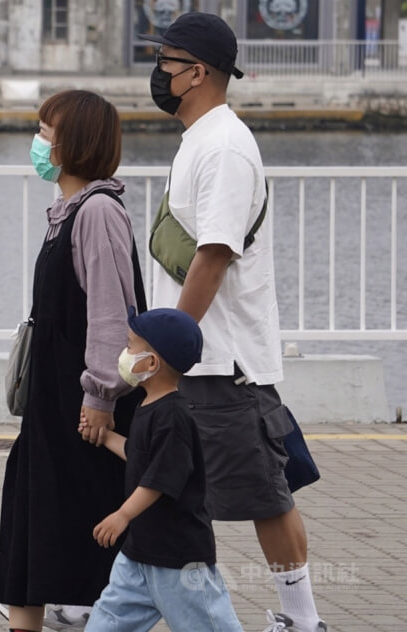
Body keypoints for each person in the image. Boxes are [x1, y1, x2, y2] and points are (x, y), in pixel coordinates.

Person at [137, 12, 327, 632]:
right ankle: (101, 601)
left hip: (220, 362)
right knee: (164, 484)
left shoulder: (224, 146)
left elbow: (214, 255)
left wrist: (170, 346)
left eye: (164, 62)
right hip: (205, 355)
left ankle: (301, 621)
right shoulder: (201, 139)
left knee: (262, 493)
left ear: (196, 73)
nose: (156, 74)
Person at [0, 90, 147, 632]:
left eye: (44, 130)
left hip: (83, 407)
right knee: (32, 521)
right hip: (53, 401)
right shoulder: (70, 211)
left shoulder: (99, 211)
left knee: (88, 534)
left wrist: (100, 397)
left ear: (71, 141)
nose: (38, 142)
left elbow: (111, 314)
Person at [80, 307, 242, 632]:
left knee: (209, 625)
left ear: (151, 363)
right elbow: (141, 456)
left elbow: (160, 477)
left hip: (177, 559)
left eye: (130, 346)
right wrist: (106, 437)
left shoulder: (174, 416)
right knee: (106, 623)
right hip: (138, 555)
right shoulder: (148, 405)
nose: (124, 354)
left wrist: (122, 515)